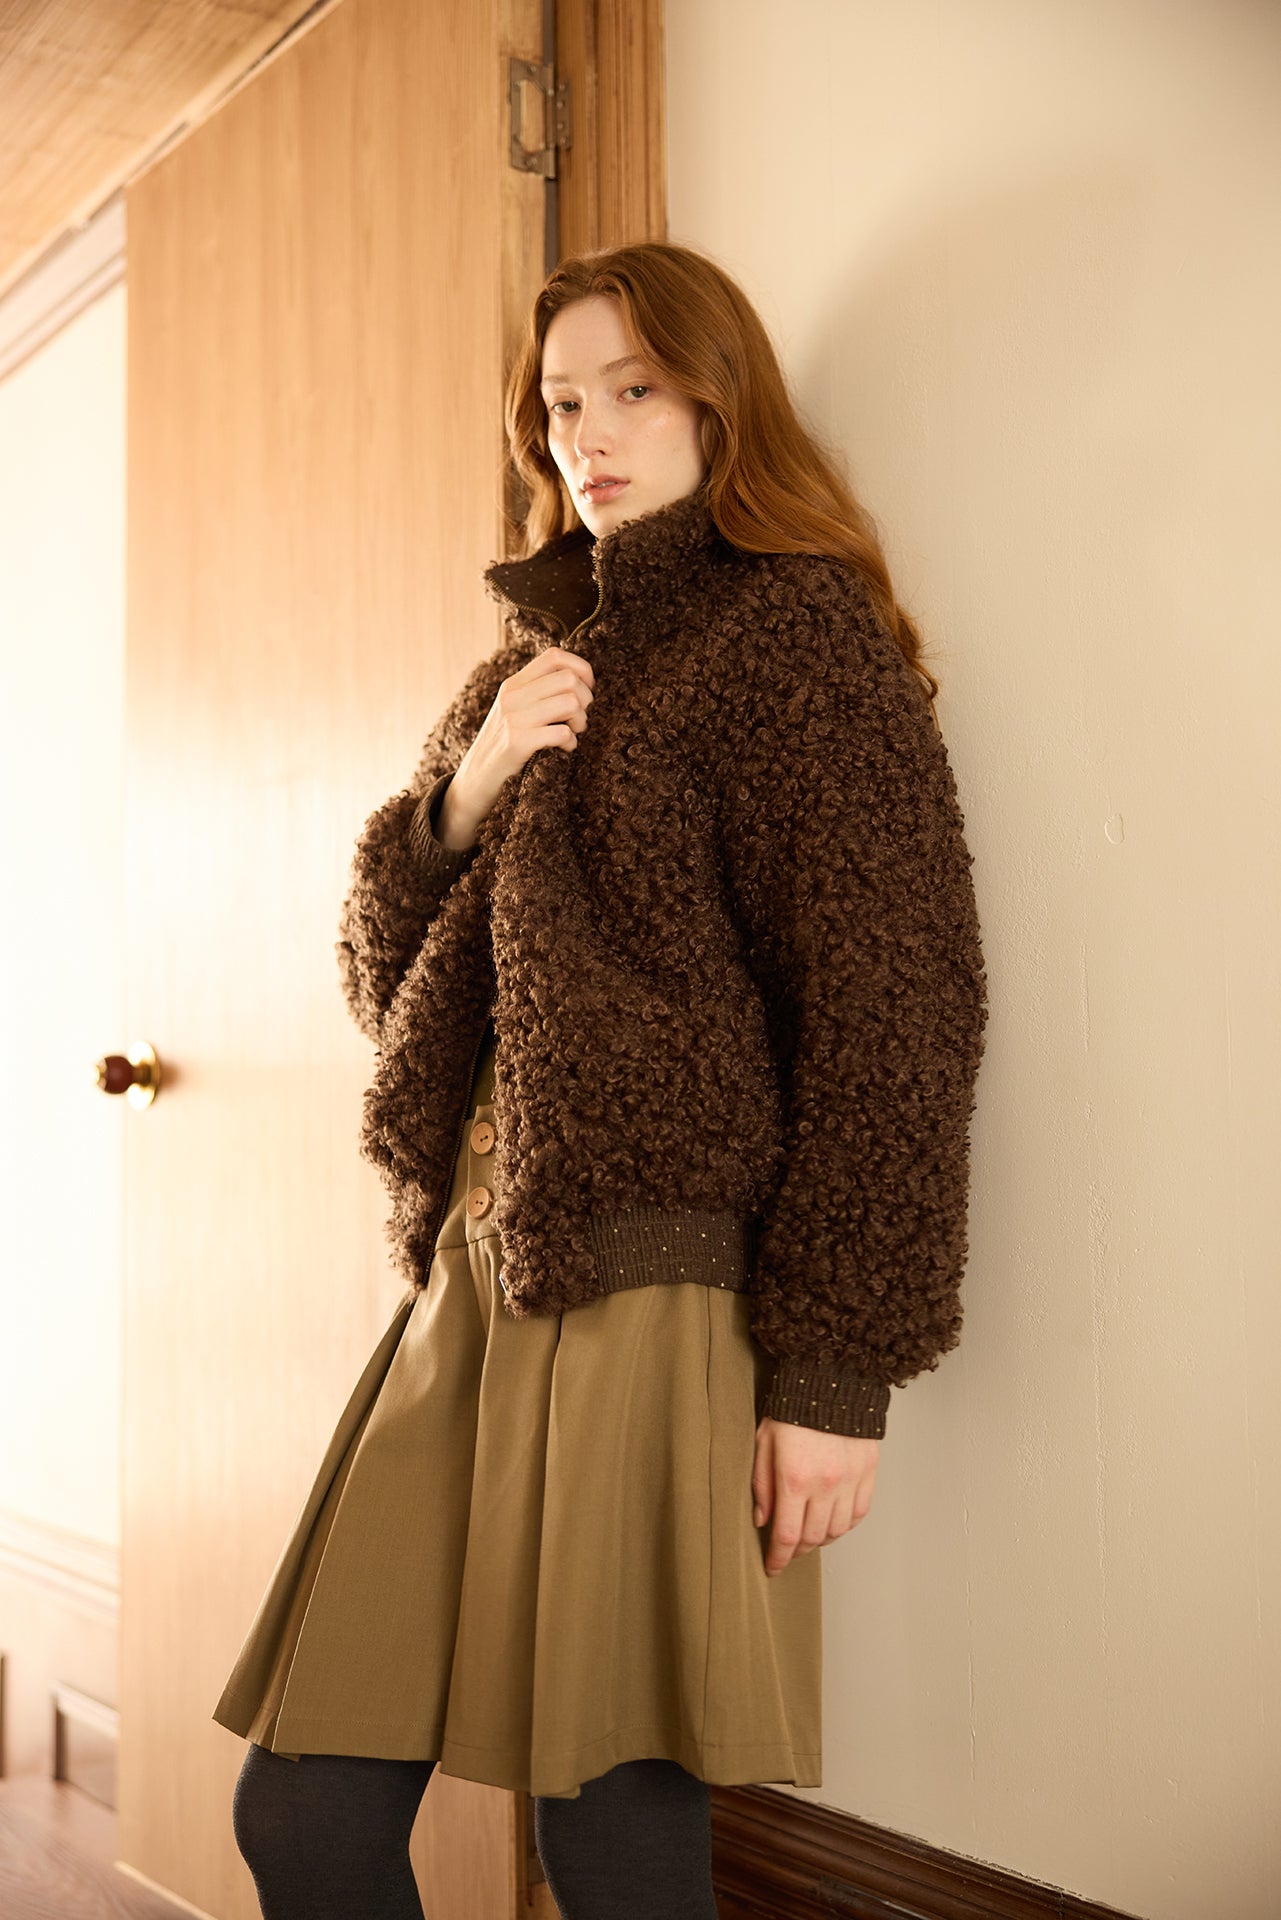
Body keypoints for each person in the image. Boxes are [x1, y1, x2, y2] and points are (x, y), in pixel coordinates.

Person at [214, 240, 988, 1919]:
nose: (589, 435)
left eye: (633, 389)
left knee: (613, 1830)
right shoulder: (516, 672)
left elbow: (895, 1018)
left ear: (720, 401)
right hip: (474, 1278)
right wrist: (467, 789)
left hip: (665, 1298)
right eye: (562, 404)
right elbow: (389, 991)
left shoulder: (795, 643)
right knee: (305, 1813)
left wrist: (835, 1374)